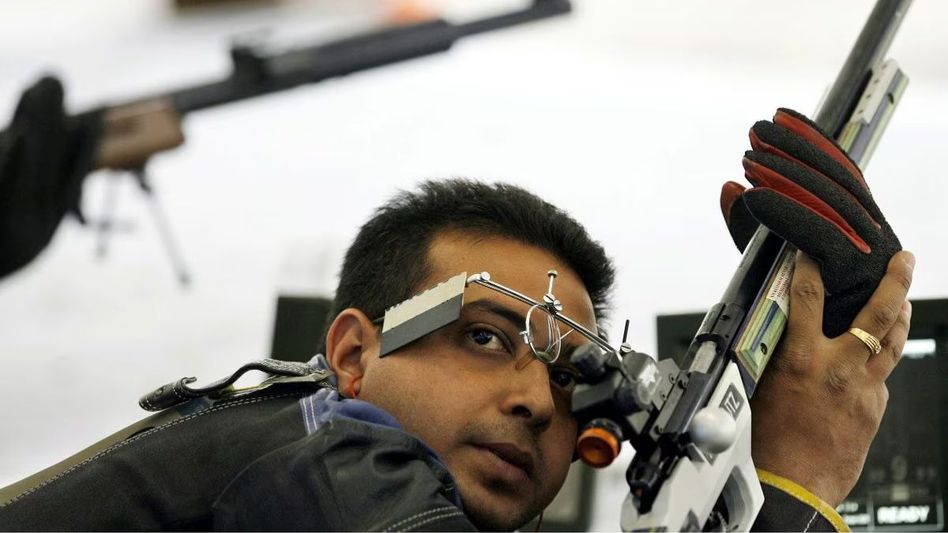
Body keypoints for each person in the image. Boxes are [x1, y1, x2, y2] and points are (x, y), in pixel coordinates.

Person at [0, 80, 914, 531]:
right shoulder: (343, 470)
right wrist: (799, 479)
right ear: (353, 356)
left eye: (574, 377)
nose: (532, 397)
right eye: (484, 336)